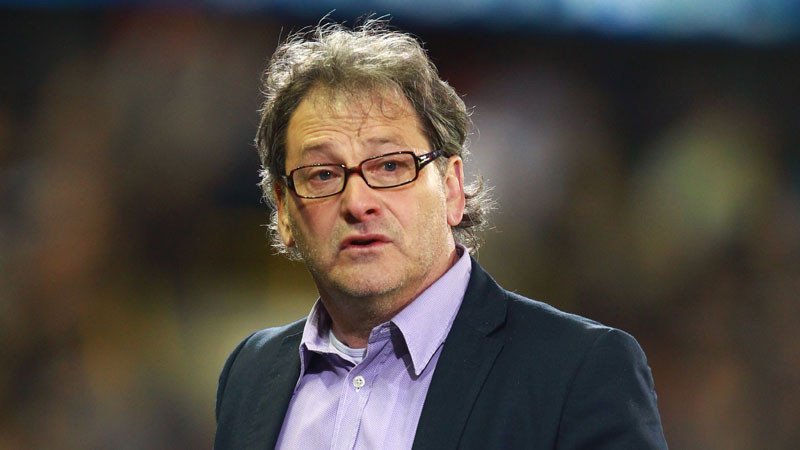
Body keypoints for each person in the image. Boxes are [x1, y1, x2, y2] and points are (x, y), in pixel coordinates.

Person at [214, 19, 668, 450]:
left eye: (390, 166)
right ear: (284, 211)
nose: (357, 202)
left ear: (451, 189)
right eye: (323, 174)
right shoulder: (251, 372)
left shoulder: (580, 370)